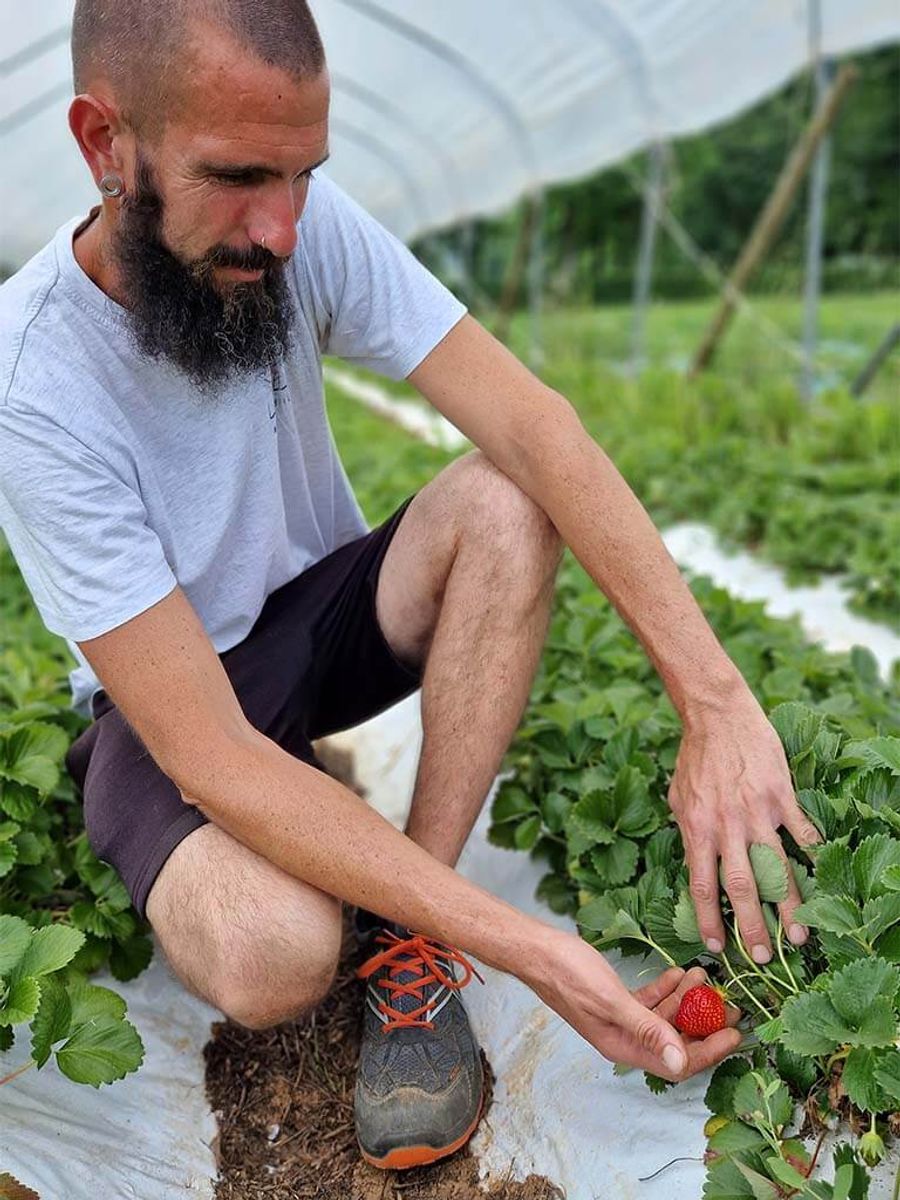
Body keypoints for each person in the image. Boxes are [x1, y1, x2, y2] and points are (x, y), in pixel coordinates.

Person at [0, 0, 823, 1174]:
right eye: (238, 177)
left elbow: (536, 427)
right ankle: (378, 891)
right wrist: (534, 950)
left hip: (322, 628)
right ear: (103, 144)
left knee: (501, 497)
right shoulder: (33, 377)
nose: (281, 228)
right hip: (175, 704)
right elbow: (215, 756)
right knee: (273, 955)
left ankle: (408, 936)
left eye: (303, 175)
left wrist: (718, 702)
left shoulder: (296, 227)